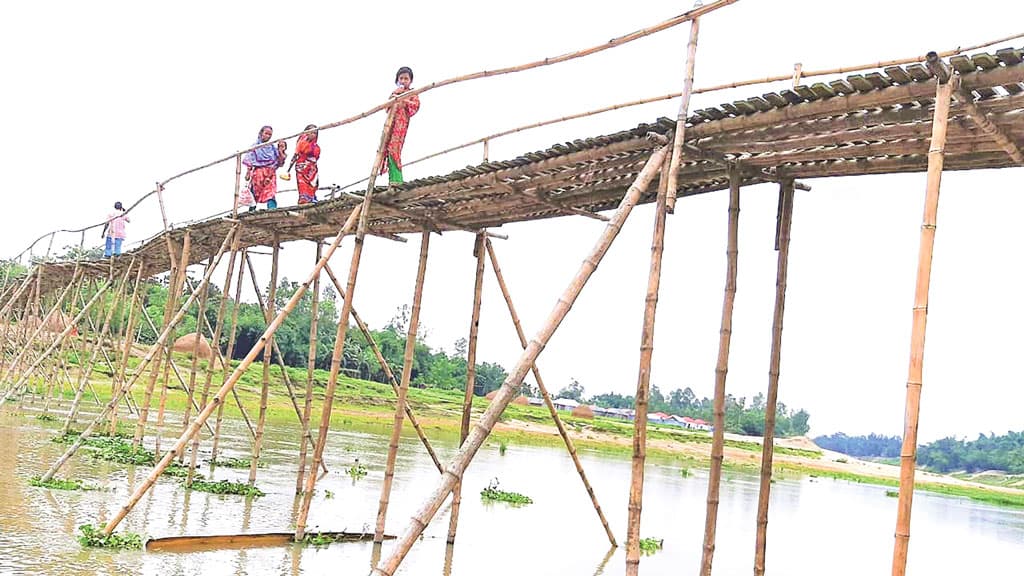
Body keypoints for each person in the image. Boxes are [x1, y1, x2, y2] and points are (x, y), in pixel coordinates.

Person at [379, 66, 420, 185]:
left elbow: (415, 107)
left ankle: (397, 180)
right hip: (391, 125)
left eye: (406, 79)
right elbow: (386, 108)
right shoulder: (394, 93)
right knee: (386, 149)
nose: (403, 81)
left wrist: (403, 99)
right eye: (401, 78)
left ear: (410, 81)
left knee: (394, 149)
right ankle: (392, 179)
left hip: (400, 126)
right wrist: (394, 99)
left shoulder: (412, 93)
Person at [242, 125, 285, 210]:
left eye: (270, 135)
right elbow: (250, 160)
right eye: (266, 133)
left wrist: (280, 150)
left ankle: (272, 208)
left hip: (270, 173)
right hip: (258, 173)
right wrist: (248, 172)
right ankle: (251, 210)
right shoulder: (255, 146)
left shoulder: (272, 148)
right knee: (255, 192)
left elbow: (280, 162)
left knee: (271, 191)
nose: (268, 136)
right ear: (261, 133)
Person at [290, 124, 320, 204]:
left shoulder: (316, 146)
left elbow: (317, 157)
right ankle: (304, 198)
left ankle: (312, 197)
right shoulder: (301, 143)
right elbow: (295, 155)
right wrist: (289, 168)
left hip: (312, 168)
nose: (312, 135)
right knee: (302, 183)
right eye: (310, 132)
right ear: (306, 133)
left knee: (313, 183)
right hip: (302, 166)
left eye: (315, 133)